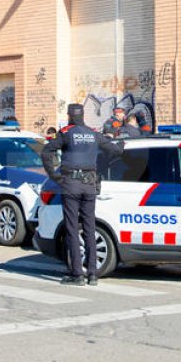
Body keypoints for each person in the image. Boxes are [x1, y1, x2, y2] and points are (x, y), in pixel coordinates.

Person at [42, 103, 123, 286]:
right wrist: (122, 142)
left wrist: (55, 176)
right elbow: (115, 151)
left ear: (69, 115)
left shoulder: (66, 133)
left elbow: (47, 151)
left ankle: (77, 274)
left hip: (71, 184)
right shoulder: (93, 133)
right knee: (89, 228)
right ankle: (93, 274)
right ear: (83, 115)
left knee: (72, 229)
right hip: (89, 185)